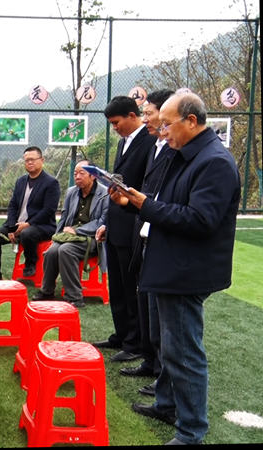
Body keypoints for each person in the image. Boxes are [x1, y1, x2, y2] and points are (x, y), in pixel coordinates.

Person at [112, 92, 240, 445]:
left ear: (192, 121)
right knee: (167, 345)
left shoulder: (214, 161)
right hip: (167, 264)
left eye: (167, 124)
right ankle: (167, 404)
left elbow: (200, 219)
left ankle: (190, 431)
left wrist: (146, 206)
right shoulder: (182, 154)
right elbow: (165, 204)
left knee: (183, 352)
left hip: (186, 271)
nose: (162, 131)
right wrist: (132, 203)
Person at [102, 90, 175, 394]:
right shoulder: (134, 142)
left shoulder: (156, 143)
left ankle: (138, 345)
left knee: (138, 292)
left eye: (149, 113)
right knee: (120, 287)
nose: (147, 120)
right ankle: (129, 339)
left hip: (140, 223)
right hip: (124, 220)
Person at [92, 96, 157, 363]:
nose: (115, 128)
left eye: (117, 122)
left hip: (133, 224)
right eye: (111, 124)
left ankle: (135, 342)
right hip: (116, 223)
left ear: (133, 115)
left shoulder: (150, 142)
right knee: (117, 285)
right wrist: (107, 222)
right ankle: (121, 334)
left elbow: (144, 186)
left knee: (131, 287)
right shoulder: (123, 142)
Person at [31, 160, 108, 308]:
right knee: (52, 251)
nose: (77, 177)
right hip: (69, 236)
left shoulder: (104, 194)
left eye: (82, 173)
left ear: (93, 176)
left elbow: (102, 222)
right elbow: (64, 217)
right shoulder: (71, 192)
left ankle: (74, 297)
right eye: (75, 173)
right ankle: (47, 291)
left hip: (92, 238)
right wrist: (57, 237)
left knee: (66, 250)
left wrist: (77, 230)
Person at [0, 147, 60, 283]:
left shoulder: (51, 183)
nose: (29, 162)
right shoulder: (21, 181)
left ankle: (31, 263)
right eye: (26, 160)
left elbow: (48, 210)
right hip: (17, 225)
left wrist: (27, 224)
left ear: (42, 160)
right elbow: (13, 205)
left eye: (32, 159)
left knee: (27, 233)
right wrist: (11, 227)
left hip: (41, 226)